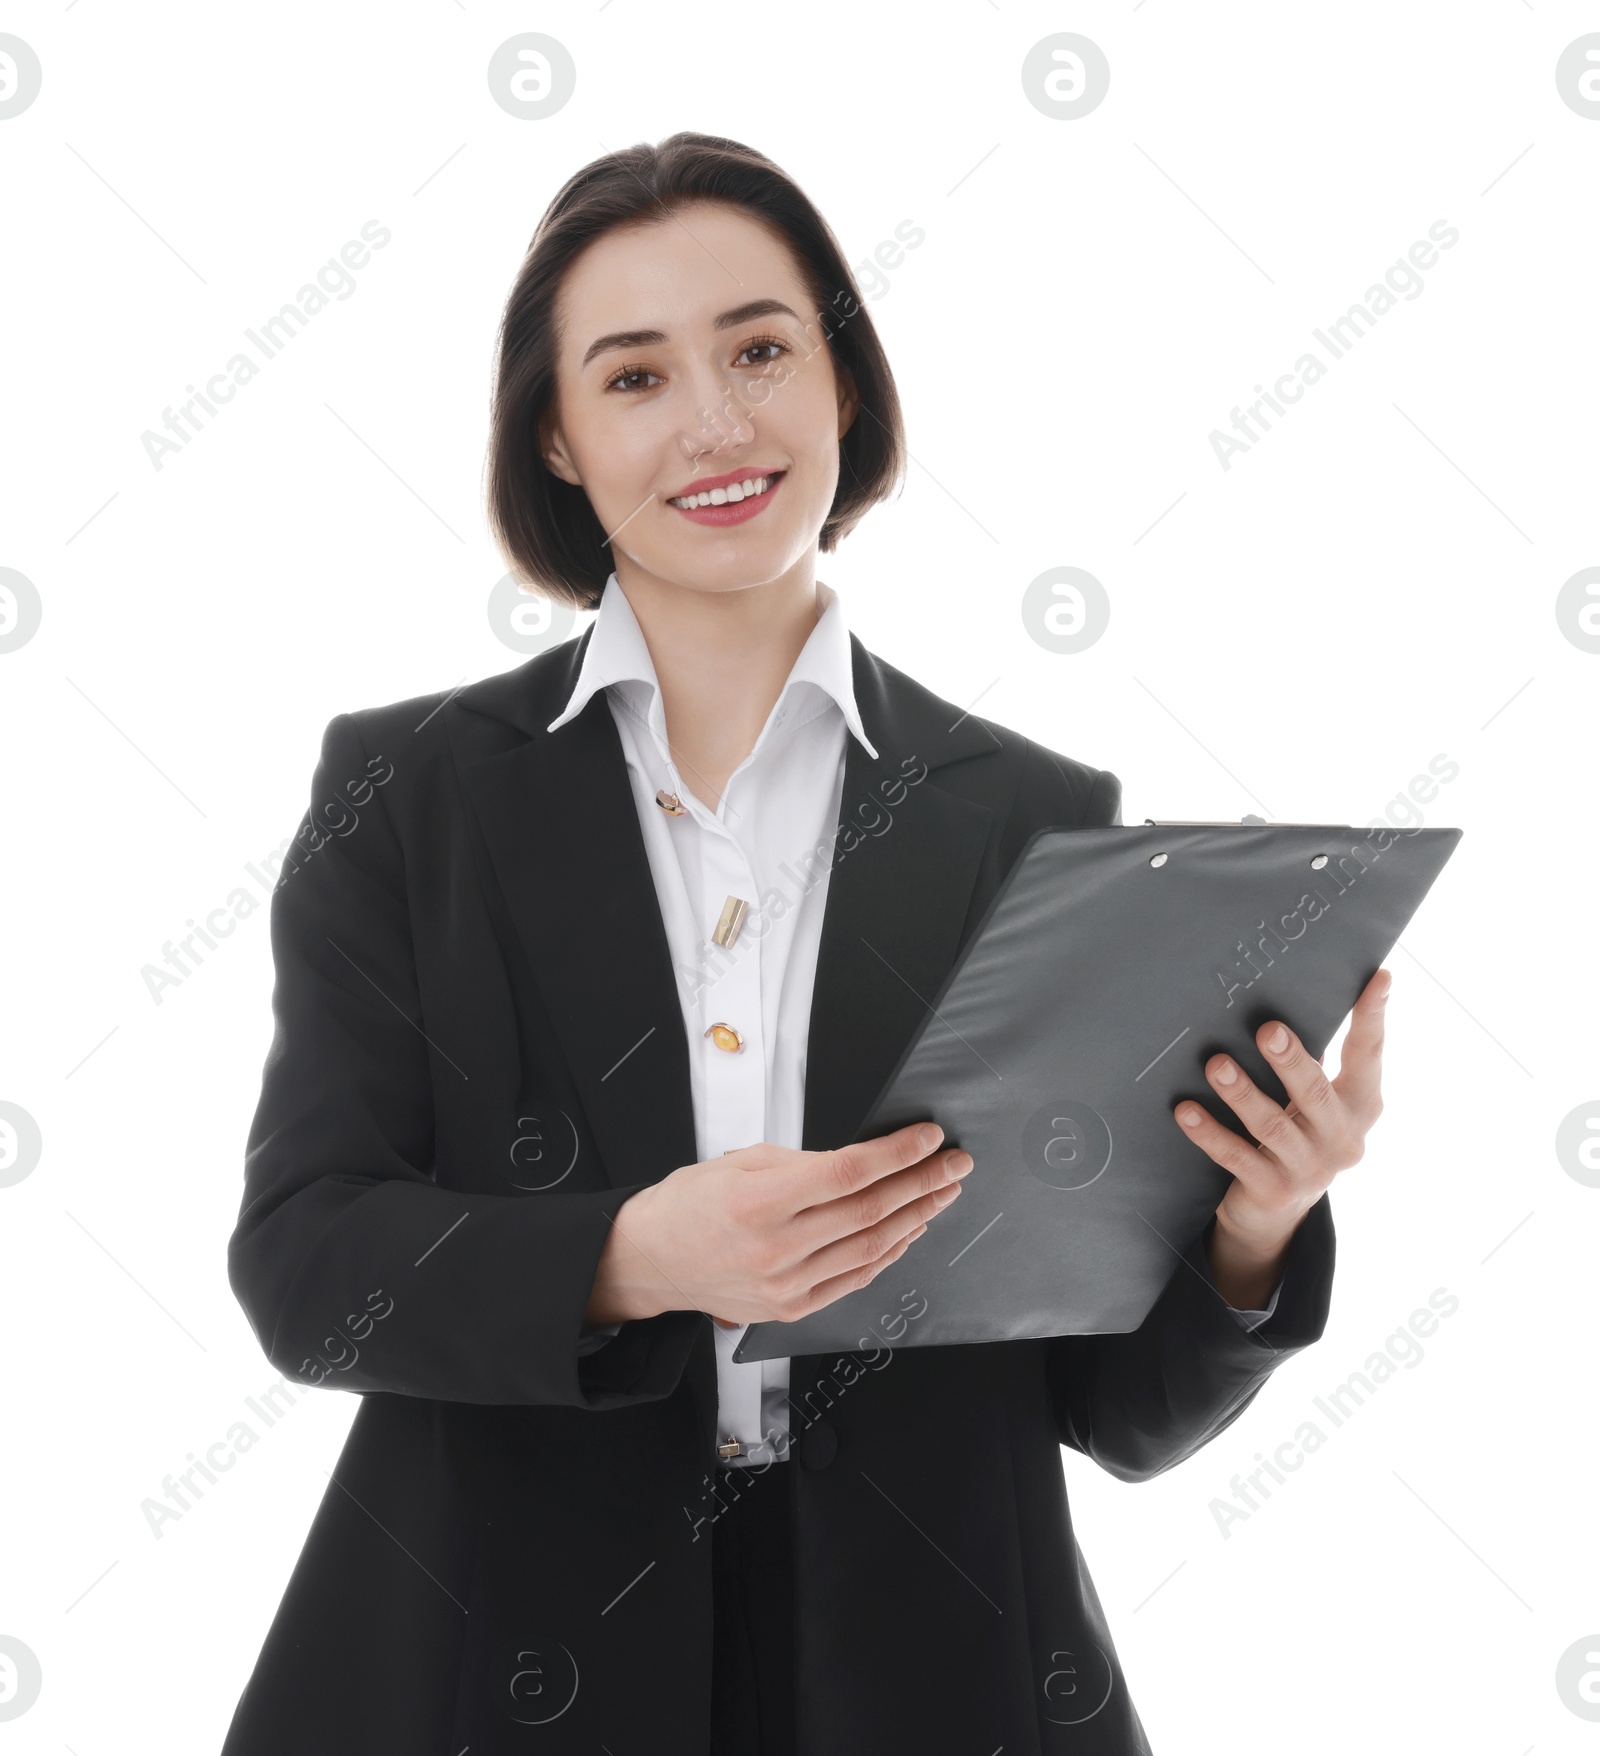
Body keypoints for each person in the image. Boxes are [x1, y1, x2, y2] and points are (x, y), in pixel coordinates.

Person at [221, 132, 1388, 1755]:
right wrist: (637, 1259)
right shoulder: (405, 797)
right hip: (501, 1651)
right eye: (633, 378)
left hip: (930, 1665)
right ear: (553, 438)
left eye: (762, 349)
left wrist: (1254, 1225)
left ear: (842, 380)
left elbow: (1111, 1413)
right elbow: (304, 1265)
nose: (715, 421)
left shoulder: (1038, 819)